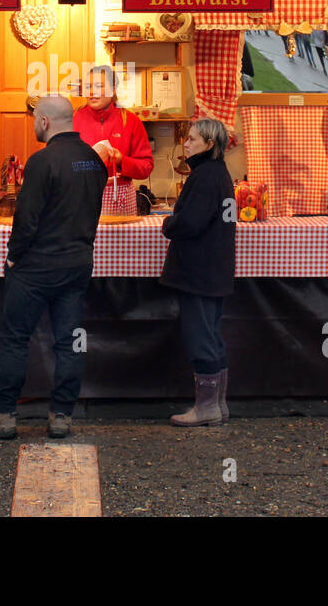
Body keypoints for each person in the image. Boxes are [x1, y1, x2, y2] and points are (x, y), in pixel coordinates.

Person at [0, 96, 107, 440]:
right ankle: (61, 416)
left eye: (34, 120)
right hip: (77, 263)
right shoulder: (93, 160)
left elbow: (26, 219)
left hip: (36, 267)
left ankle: (2, 416)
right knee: (70, 341)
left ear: (44, 121)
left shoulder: (41, 162)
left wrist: (14, 255)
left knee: (16, 340)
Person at [160, 118, 237, 426]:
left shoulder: (204, 176)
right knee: (212, 335)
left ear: (210, 145)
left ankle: (207, 408)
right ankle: (217, 405)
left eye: (193, 139)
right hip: (215, 269)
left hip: (199, 271)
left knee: (200, 336)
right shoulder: (219, 174)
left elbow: (190, 223)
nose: (186, 144)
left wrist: (168, 224)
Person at [73, 64, 154, 216]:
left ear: (113, 89)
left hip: (120, 199)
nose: (92, 92)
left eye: (99, 86)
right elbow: (59, 162)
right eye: (88, 86)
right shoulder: (73, 119)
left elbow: (146, 167)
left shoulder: (131, 121)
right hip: (80, 197)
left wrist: (121, 160)